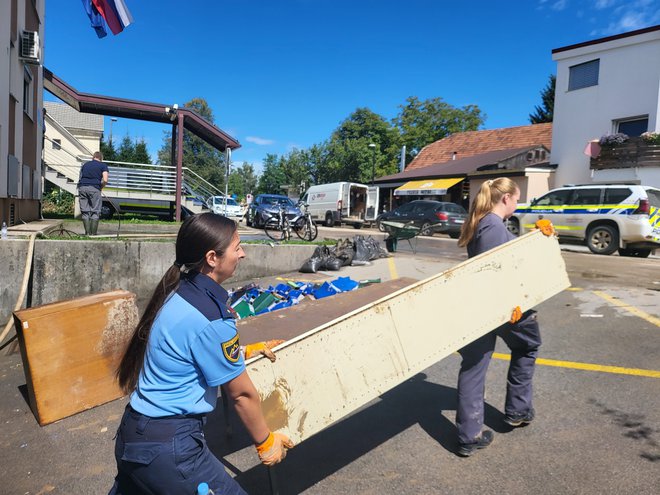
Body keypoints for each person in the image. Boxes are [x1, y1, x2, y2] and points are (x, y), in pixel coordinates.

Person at [109, 213, 293, 494]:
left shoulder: (179, 291)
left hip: (134, 434)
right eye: (237, 247)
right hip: (169, 449)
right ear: (212, 258)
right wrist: (266, 441)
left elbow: (188, 348)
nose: (242, 254)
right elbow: (242, 395)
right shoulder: (212, 317)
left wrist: (239, 353)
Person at [454, 178, 553, 457]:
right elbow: (500, 270)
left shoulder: (482, 222)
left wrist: (539, 239)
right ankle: (517, 410)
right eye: (517, 199)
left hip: (481, 307)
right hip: (504, 309)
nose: (518, 204)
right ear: (506, 198)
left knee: (474, 366)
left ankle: (469, 435)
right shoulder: (493, 226)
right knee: (527, 346)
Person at [78, 151, 109, 235]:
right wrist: (101, 187)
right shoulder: (103, 165)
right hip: (95, 188)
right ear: (101, 158)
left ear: (93, 157)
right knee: (95, 211)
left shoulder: (85, 165)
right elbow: (105, 180)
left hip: (82, 188)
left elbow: (80, 177)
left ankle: (87, 233)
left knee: (85, 211)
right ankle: (93, 234)